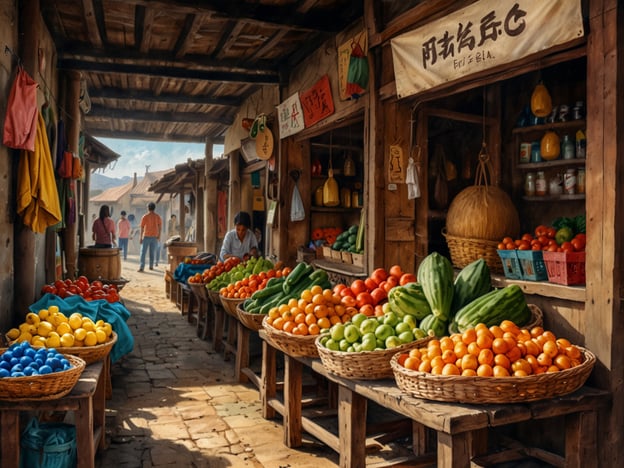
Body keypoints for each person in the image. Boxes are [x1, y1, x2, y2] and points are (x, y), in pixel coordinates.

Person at [138, 202, 162, 272]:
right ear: (154, 208)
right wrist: (159, 236)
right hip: (154, 237)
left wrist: (140, 237)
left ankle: (142, 267)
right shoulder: (157, 216)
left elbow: (142, 227)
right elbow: (160, 227)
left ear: (148, 208)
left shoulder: (145, 216)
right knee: (152, 252)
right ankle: (151, 266)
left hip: (146, 236)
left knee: (143, 253)